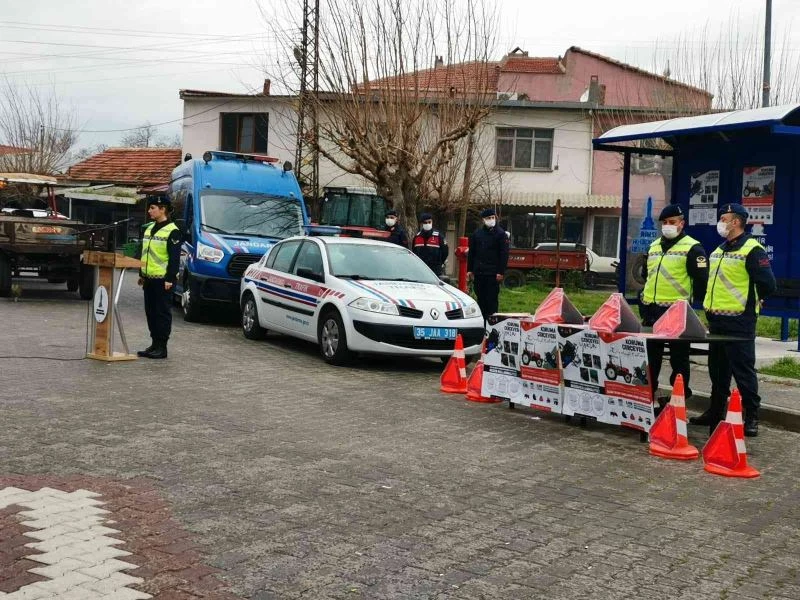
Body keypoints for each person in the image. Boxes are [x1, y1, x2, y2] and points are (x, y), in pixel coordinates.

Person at [690, 203, 776, 437]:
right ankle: (716, 411)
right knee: (718, 370)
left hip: (739, 321)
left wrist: (757, 301)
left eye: (724, 218)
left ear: (736, 222)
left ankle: (752, 415)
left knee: (743, 369)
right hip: (717, 320)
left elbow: (768, 284)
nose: (720, 222)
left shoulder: (752, 249)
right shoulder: (719, 249)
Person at [639, 204, 708, 410]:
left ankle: (679, 396)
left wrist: (695, 308)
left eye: (672, 222)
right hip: (652, 310)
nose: (668, 226)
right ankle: (648, 397)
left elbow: (701, 280)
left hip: (677, 312)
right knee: (651, 358)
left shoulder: (693, 247)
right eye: (665, 222)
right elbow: (647, 275)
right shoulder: (653, 246)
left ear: (681, 223)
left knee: (679, 358)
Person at [136, 197, 181, 359]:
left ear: (163, 209)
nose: (149, 211)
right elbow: (145, 253)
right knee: (151, 312)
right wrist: (141, 273)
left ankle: (162, 347)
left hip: (163, 280)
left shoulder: (172, 230)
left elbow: (174, 258)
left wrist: (170, 278)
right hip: (149, 278)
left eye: (153, 208)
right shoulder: (149, 228)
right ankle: (154, 344)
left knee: (162, 313)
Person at [467, 207, 509, 324]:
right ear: (483, 220)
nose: (491, 220)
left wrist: (500, 272)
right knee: (481, 299)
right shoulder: (477, 234)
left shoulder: (501, 234)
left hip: (493, 273)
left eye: (492, 217)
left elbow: (504, 254)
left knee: (491, 301)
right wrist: (470, 270)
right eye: (488, 218)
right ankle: (481, 325)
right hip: (479, 273)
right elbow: (472, 253)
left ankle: (492, 325)